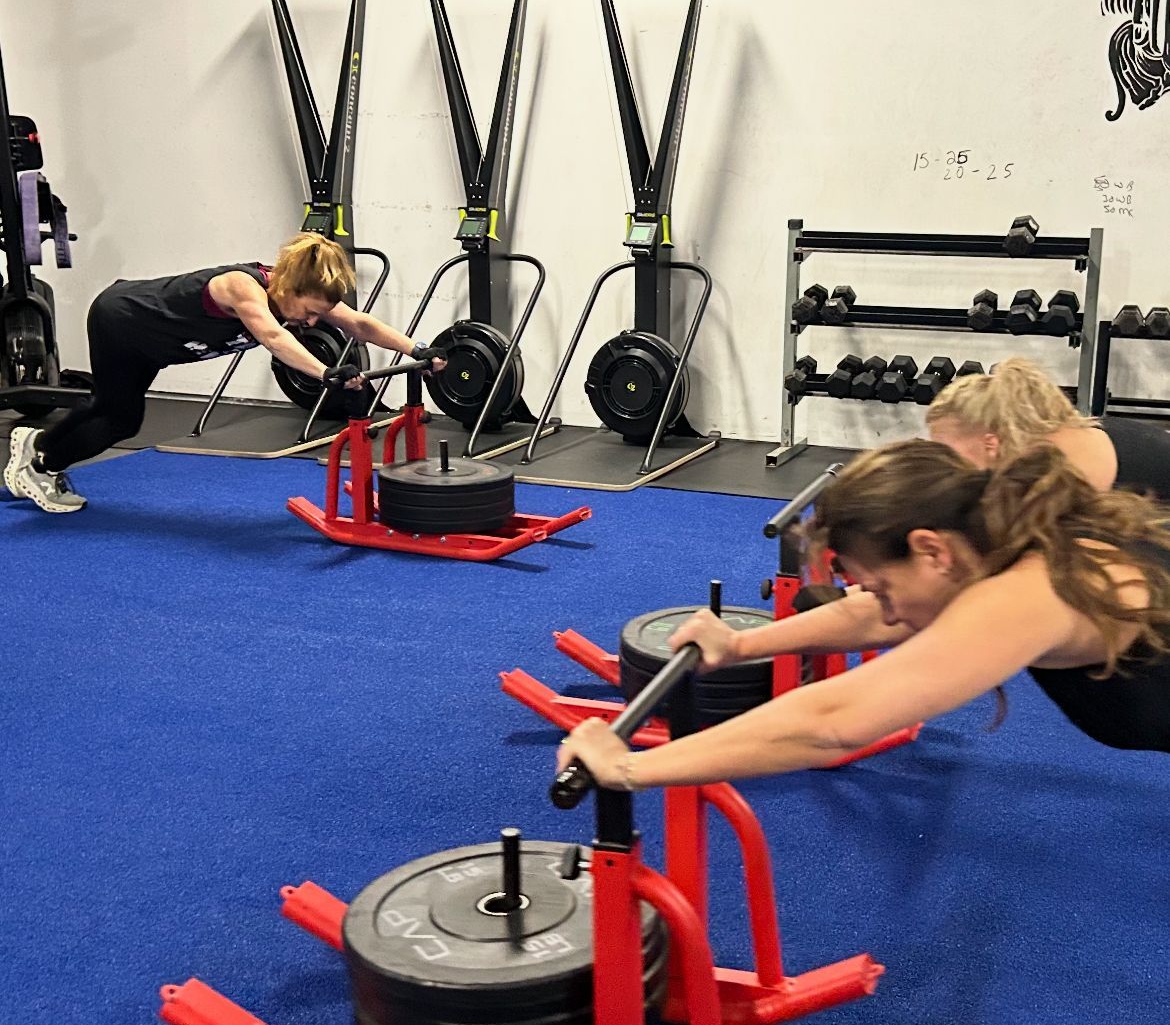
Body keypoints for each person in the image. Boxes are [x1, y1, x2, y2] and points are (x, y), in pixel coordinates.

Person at [556, 440, 1170, 790]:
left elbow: (834, 722)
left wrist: (630, 765)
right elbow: (881, 616)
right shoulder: (996, 542)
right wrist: (742, 646)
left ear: (931, 549)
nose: (878, 599)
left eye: (879, 583)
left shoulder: (1026, 595)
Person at [3, 233, 445, 513]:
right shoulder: (241, 286)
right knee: (119, 417)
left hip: (158, 343)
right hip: (124, 322)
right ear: (290, 287)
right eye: (310, 312)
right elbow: (272, 337)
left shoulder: (297, 294)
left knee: (114, 413)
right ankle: (40, 465)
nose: (312, 322)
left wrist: (418, 349)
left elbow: (359, 324)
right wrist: (325, 372)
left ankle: (35, 443)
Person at [926, 356, 1170, 499]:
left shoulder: (1058, 481)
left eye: (947, 452)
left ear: (990, 443)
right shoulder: (1068, 436)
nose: (945, 466)